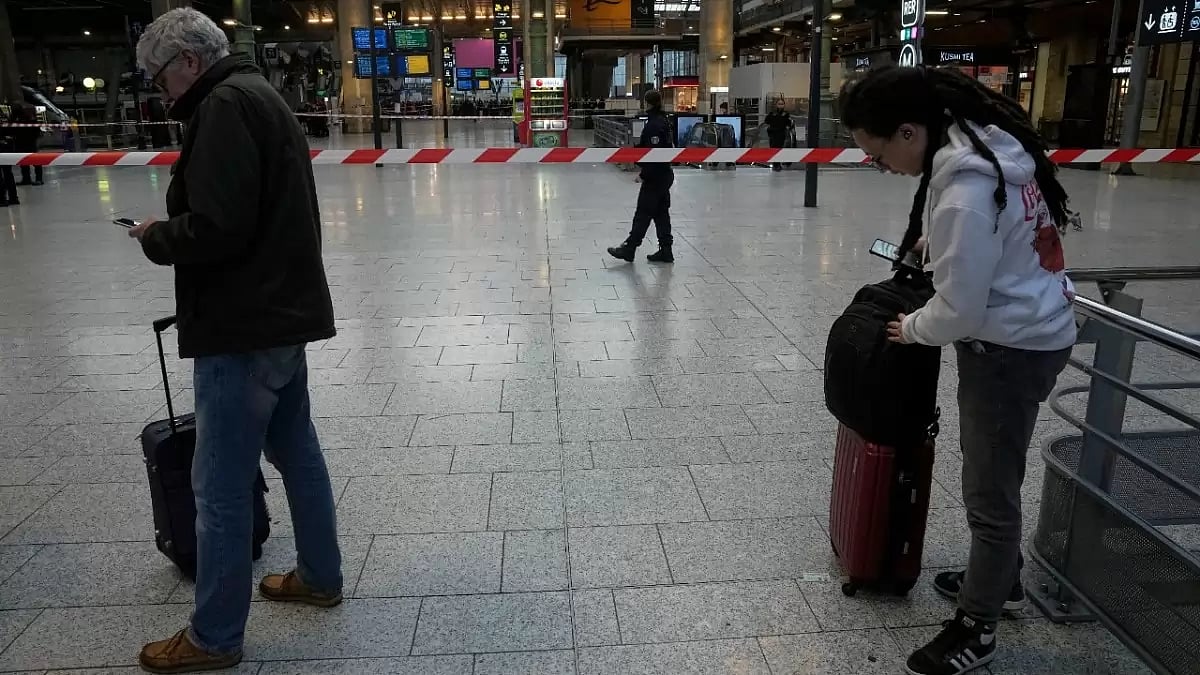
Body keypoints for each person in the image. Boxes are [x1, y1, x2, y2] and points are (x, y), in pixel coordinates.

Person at [839, 65, 1077, 675]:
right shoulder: (987, 143)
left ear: (911, 132)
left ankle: (978, 628)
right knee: (995, 479)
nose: (880, 165)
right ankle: (1005, 581)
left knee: (990, 496)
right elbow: (990, 246)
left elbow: (958, 310)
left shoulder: (964, 193)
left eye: (877, 152)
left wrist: (909, 328)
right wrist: (939, 247)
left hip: (1009, 349)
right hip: (1034, 327)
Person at [128, 9, 342, 673]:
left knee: (217, 485)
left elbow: (219, 226)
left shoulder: (221, 106)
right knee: (297, 451)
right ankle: (318, 573)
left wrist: (159, 236)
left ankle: (214, 636)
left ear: (188, 60)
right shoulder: (260, 93)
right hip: (283, 313)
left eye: (160, 75)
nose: (160, 89)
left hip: (241, 323)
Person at [607, 89, 675, 264]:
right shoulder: (662, 120)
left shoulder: (654, 124)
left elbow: (655, 154)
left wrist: (644, 174)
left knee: (643, 213)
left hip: (656, 177)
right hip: (664, 175)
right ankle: (666, 250)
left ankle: (630, 248)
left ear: (648, 103)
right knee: (660, 214)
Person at [12, 104, 43, 186]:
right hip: (27, 142)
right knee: (26, 162)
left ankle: (34, 179)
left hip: (26, 142)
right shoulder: (31, 120)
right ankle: (32, 179)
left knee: (33, 162)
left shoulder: (24, 121)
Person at [764, 98, 795, 171]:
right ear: (776, 105)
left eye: (782, 104)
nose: (780, 105)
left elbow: (789, 123)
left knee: (779, 148)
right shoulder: (772, 113)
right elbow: (767, 121)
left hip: (781, 133)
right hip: (772, 133)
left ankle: (777, 164)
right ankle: (775, 164)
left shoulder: (786, 114)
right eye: (779, 104)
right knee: (773, 148)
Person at [0, 108, 17, 207]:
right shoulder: (5, 117)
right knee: (8, 173)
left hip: (1, 146)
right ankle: (13, 198)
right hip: (8, 146)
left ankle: (2, 199)